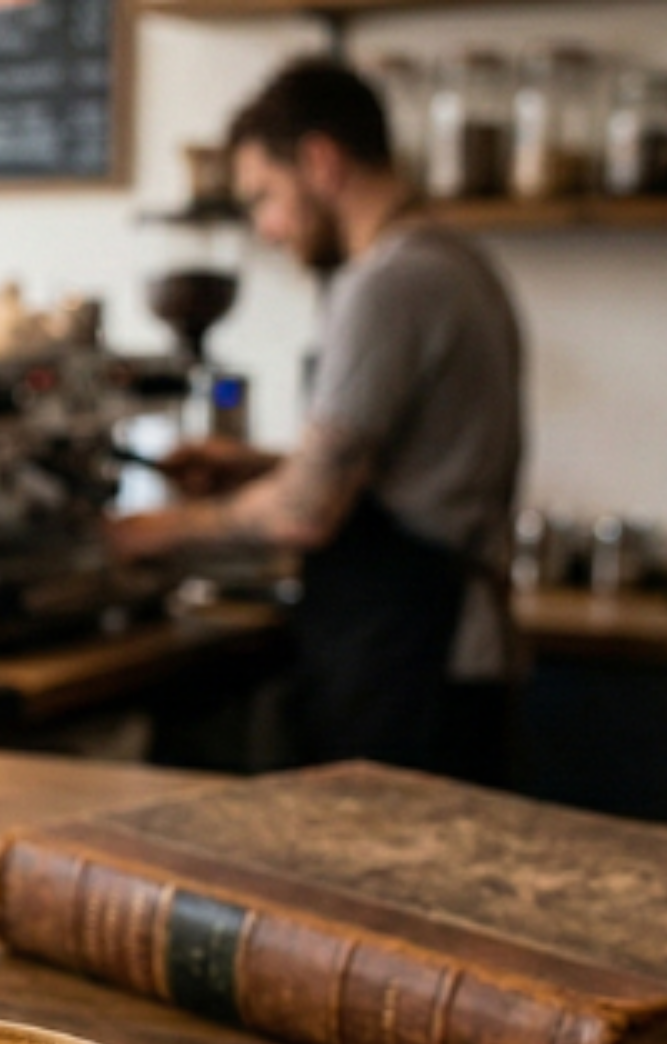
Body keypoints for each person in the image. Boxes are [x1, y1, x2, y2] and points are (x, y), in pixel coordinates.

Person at [111, 59, 525, 783]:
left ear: (320, 161)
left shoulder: (388, 282)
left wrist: (151, 534)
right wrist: (256, 467)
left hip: (411, 657)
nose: (267, 229)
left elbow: (306, 514)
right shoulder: (459, 262)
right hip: (449, 647)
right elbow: (402, 468)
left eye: (265, 196)